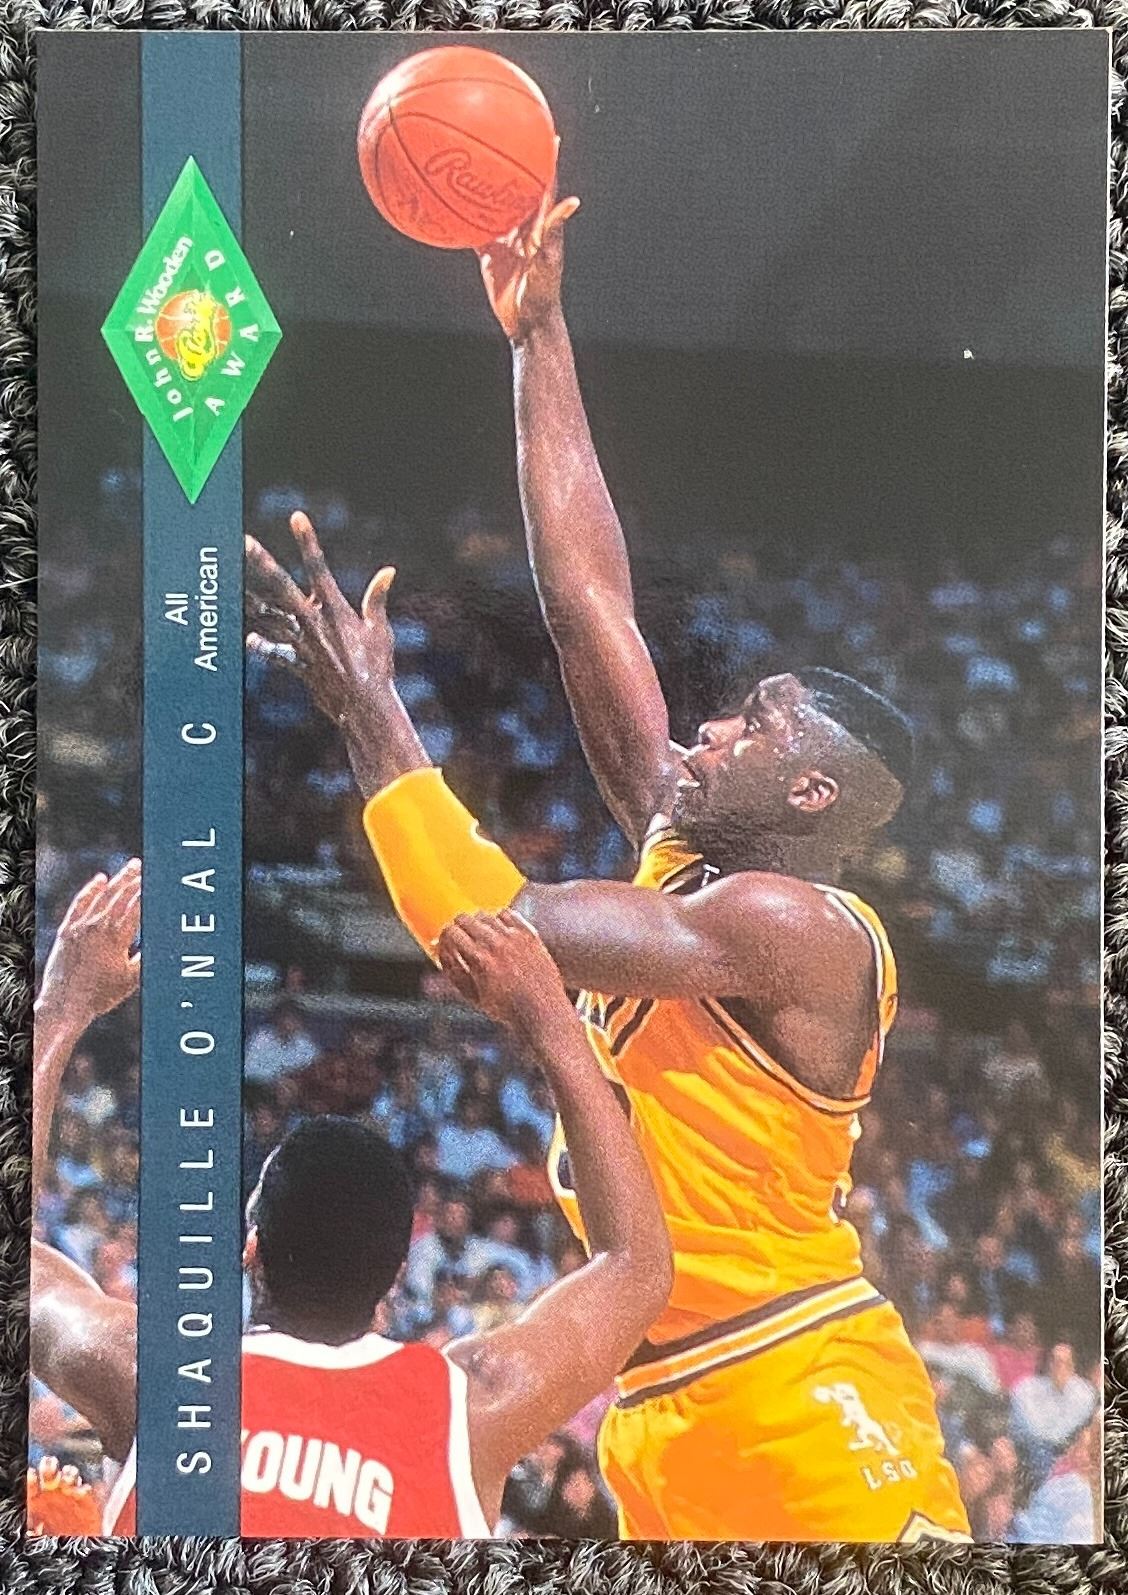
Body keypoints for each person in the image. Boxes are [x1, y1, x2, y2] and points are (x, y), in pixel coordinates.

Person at [243, 417, 968, 1536]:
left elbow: (494, 919)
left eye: (753, 726)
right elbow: (590, 605)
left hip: (803, 1387)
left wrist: (372, 708)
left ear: (810, 794)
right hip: (660, 1403)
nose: (708, 729)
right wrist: (537, 340)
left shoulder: (797, 924)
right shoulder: (689, 853)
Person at [29, 869, 672, 1536]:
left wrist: (60, 1007)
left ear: (251, 1249)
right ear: (397, 1275)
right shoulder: (469, 1406)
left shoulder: (155, 1375)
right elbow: (638, 1267)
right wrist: (550, 1018)